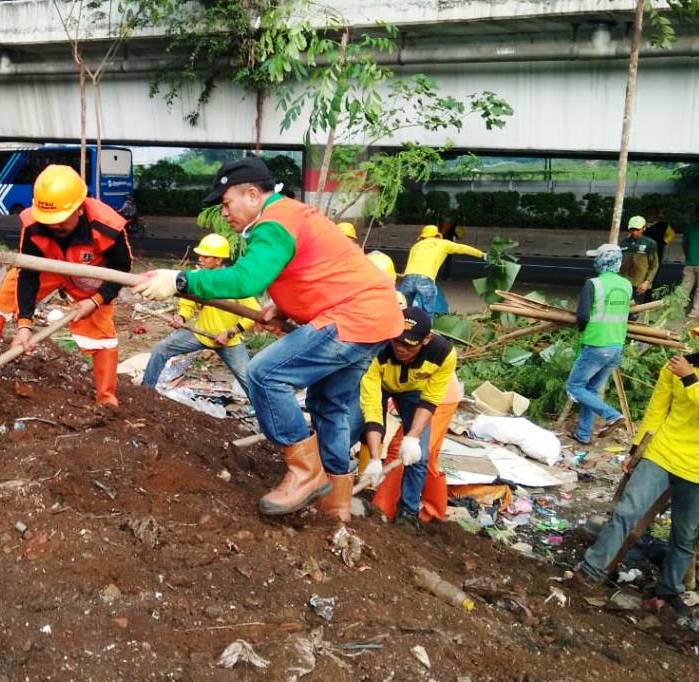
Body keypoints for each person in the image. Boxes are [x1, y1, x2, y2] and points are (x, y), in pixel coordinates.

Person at [133, 158, 404, 524]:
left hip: (352, 317)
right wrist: (286, 307)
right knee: (328, 404)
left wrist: (181, 281)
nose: (223, 212)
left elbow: (246, 279)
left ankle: (306, 474)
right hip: (376, 318)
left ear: (251, 194)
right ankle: (336, 505)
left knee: (265, 374)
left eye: (226, 203)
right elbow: (319, 268)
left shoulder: (274, 222)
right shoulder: (291, 215)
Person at [0, 165, 132, 407]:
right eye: (48, 221)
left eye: (60, 220)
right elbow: (28, 275)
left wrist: (94, 301)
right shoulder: (33, 224)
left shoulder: (107, 226)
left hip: (90, 273)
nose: (54, 226)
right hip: (47, 266)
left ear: (80, 208)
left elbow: (121, 271)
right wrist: (24, 325)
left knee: (101, 332)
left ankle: (106, 399)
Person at [577, 308, 699, 618]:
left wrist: (690, 378)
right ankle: (591, 570)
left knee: (684, 536)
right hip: (661, 453)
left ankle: (668, 590)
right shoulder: (677, 366)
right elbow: (656, 411)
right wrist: (636, 450)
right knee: (626, 512)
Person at [354, 307, 460, 525]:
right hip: (380, 383)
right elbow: (373, 407)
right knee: (354, 427)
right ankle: (338, 483)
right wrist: (375, 458)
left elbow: (430, 399)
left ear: (426, 339)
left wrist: (412, 437)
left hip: (417, 392)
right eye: (397, 341)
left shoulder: (443, 354)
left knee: (419, 455)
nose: (401, 349)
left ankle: (408, 513)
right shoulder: (378, 346)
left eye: (409, 345)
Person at [142, 234, 259, 393]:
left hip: (229, 341)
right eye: (200, 255)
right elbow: (188, 304)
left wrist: (230, 333)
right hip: (200, 334)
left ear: (218, 260)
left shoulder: (235, 282)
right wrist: (181, 317)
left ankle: (263, 408)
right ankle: (145, 392)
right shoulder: (196, 277)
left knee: (250, 381)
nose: (200, 259)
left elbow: (254, 313)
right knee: (160, 349)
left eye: (205, 256)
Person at [565, 243, 631, 445]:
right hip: (616, 346)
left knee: (575, 386)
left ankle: (612, 415)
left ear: (602, 260)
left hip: (596, 344)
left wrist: (580, 328)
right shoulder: (626, 285)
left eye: (597, 257)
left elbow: (583, 315)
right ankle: (584, 435)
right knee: (591, 390)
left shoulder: (593, 284)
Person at [398, 225, 484, 312]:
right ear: (437, 235)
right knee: (428, 310)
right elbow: (463, 248)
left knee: (402, 307)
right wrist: (481, 254)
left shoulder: (416, 246)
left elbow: (410, 262)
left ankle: (402, 320)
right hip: (425, 277)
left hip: (409, 277)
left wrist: (405, 275)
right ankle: (427, 321)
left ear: (423, 236)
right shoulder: (443, 243)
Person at [619, 215, 659, 303]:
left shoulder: (650, 244)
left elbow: (654, 265)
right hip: (623, 284)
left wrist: (647, 282)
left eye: (637, 229)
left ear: (644, 228)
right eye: (632, 229)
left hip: (639, 286)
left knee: (635, 309)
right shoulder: (623, 243)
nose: (634, 232)